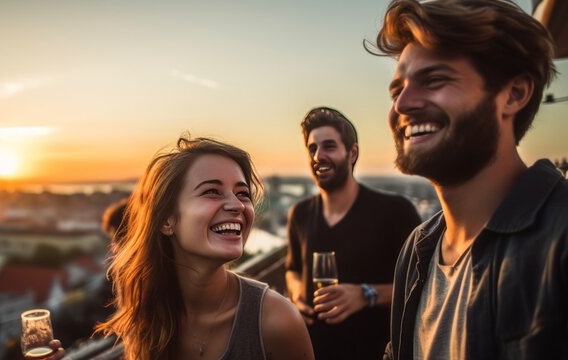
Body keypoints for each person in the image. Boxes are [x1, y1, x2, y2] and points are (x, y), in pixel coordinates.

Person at [369, 0, 567, 358]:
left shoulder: (560, 241)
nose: (402, 105)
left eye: (435, 80)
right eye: (397, 90)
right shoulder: (417, 251)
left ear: (514, 94)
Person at [95, 136, 314, 359]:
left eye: (243, 194)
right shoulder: (146, 316)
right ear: (166, 220)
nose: (238, 205)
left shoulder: (276, 321)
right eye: (212, 191)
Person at [285, 107, 421, 359]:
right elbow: (293, 269)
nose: (318, 156)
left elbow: (421, 286)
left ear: (352, 153)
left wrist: (365, 294)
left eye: (329, 146)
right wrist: (295, 295)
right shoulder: (299, 214)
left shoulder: (395, 211)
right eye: (312, 149)